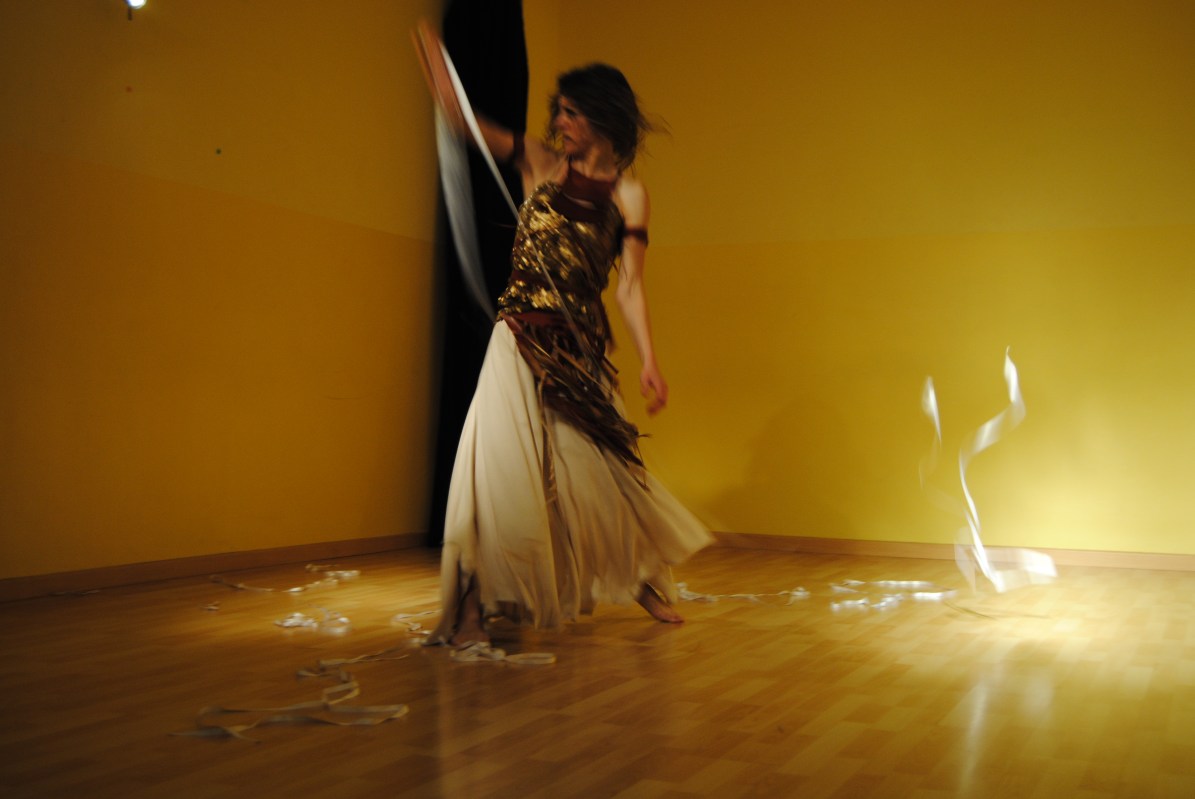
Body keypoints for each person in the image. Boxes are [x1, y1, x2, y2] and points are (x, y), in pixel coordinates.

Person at [415, 22, 713, 646]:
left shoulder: (629, 195)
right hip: (517, 337)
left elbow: (629, 286)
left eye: (572, 111)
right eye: (559, 110)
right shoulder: (539, 161)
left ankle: (639, 575)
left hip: (578, 352)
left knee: (600, 472)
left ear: (603, 117)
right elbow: (467, 124)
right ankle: (471, 608)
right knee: (494, 470)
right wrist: (444, 78)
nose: (559, 121)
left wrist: (650, 360)